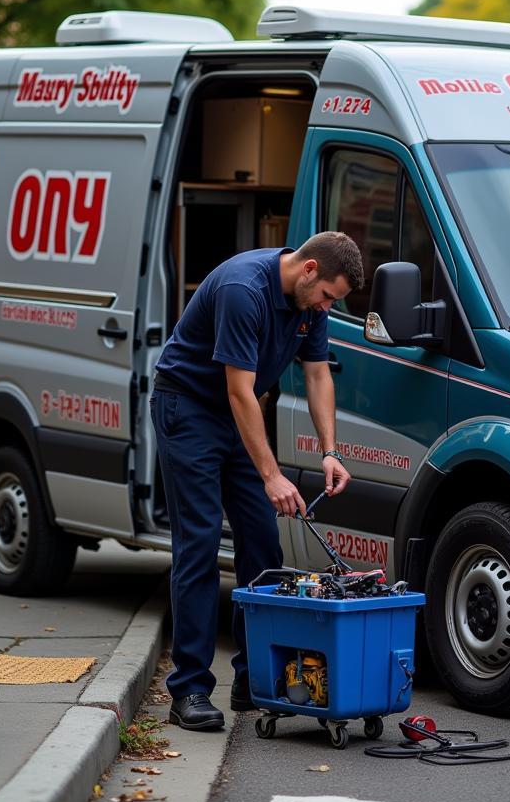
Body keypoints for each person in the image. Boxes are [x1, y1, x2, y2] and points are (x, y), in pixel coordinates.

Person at [150, 231, 365, 731]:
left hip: (236, 417)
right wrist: (272, 475)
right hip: (189, 410)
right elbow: (239, 390)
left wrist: (330, 452)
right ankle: (190, 691)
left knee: (264, 547)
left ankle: (255, 679)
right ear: (308, 269)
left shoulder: (310, 305)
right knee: (199, 546)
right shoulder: (243, 290)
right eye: (328, 296)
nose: (326, 307)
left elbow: (317, 376)